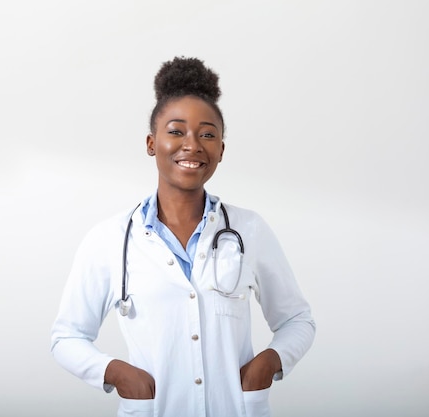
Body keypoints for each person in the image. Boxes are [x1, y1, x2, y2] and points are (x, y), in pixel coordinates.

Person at [51, 56, 315, 417]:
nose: (192, 144)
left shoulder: (249, 230)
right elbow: (66, 337)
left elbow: (297, 320)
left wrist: (268, 362)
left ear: (221, 149)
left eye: (207, 134)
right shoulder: (110, 239)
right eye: (176, 131)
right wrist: (117, 374)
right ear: (151, 143)